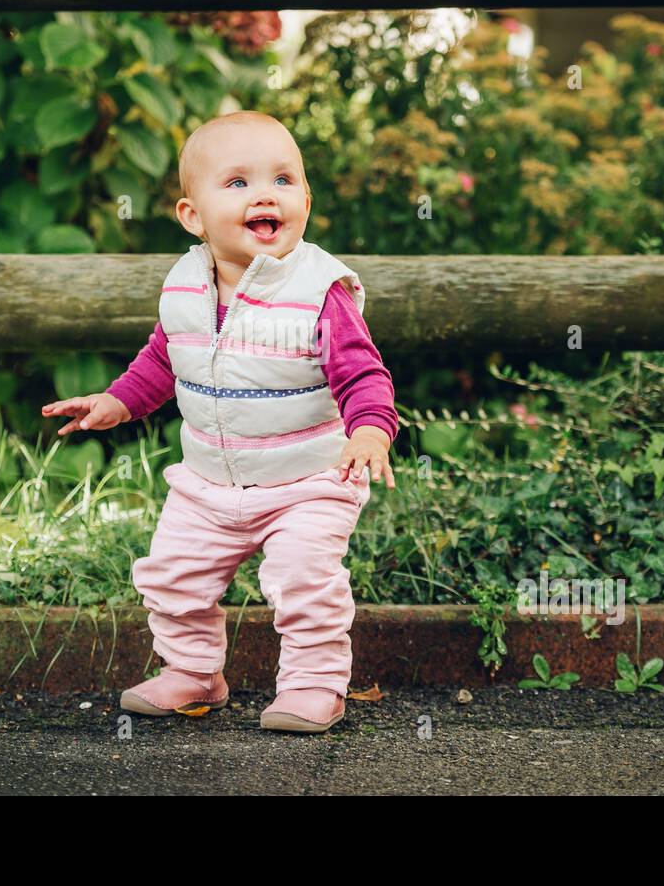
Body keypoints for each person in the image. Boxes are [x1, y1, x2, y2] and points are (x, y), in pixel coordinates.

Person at [42, 110, 397, 733]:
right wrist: (118, 401)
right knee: (172, 575)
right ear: (193, 216)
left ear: (306, 200)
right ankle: (193, 672)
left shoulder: (319, 289)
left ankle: (314, 684)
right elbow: (162, 358)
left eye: (284, 180)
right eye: (237, 183)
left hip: (308, 481)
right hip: (209, 482)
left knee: (303, 580)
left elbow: (362, 373)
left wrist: (369, 429)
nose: (265, 194)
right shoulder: (184, 285)